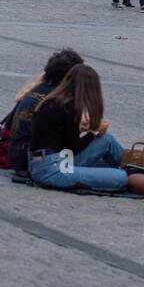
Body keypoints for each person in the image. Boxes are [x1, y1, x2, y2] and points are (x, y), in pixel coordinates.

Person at [28, 64, 128, 192]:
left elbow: (60, 139)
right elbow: (73, 147)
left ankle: (135, 167)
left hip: (45, 161)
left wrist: (87, 131)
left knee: (107, 139)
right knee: (121, 178)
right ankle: (135, 172)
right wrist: (94, 132)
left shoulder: (53, 100)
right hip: (53, 169)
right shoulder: (68, 107)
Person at [8, 49, 84, 175]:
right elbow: (71, 144)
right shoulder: (59, 99)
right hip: (36, 161)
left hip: (16, 156)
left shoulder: (36, 89)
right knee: (104, 142)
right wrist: (92, 133)